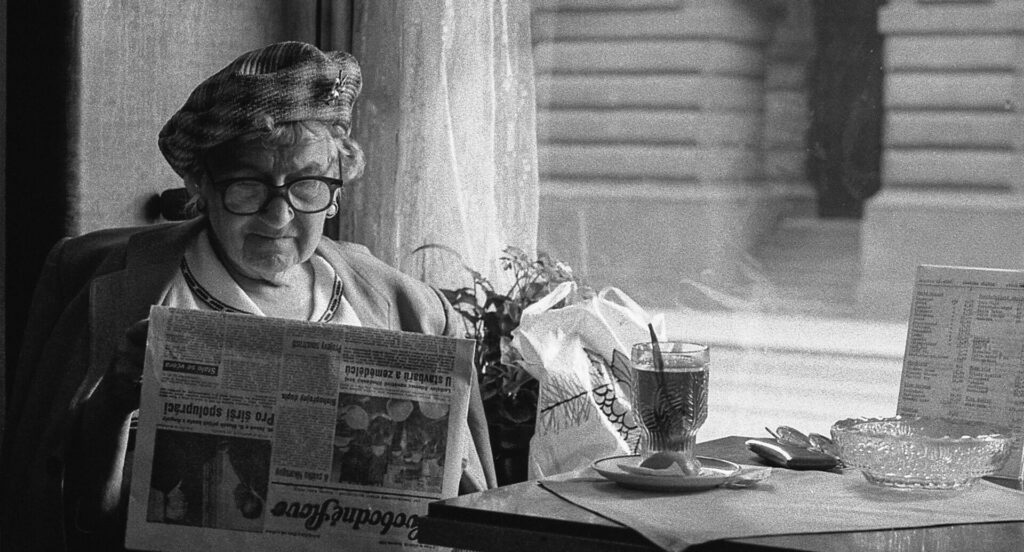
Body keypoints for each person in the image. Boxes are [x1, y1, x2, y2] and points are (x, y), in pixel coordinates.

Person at [1, 41, 497, 550]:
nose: (278, 215)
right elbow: (57, 518)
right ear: (201, 184)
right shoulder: (110, 290)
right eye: (247, 184)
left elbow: (477, 518)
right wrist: (111, 405)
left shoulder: (415, 309)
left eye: (306, 185)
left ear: (337, 188)